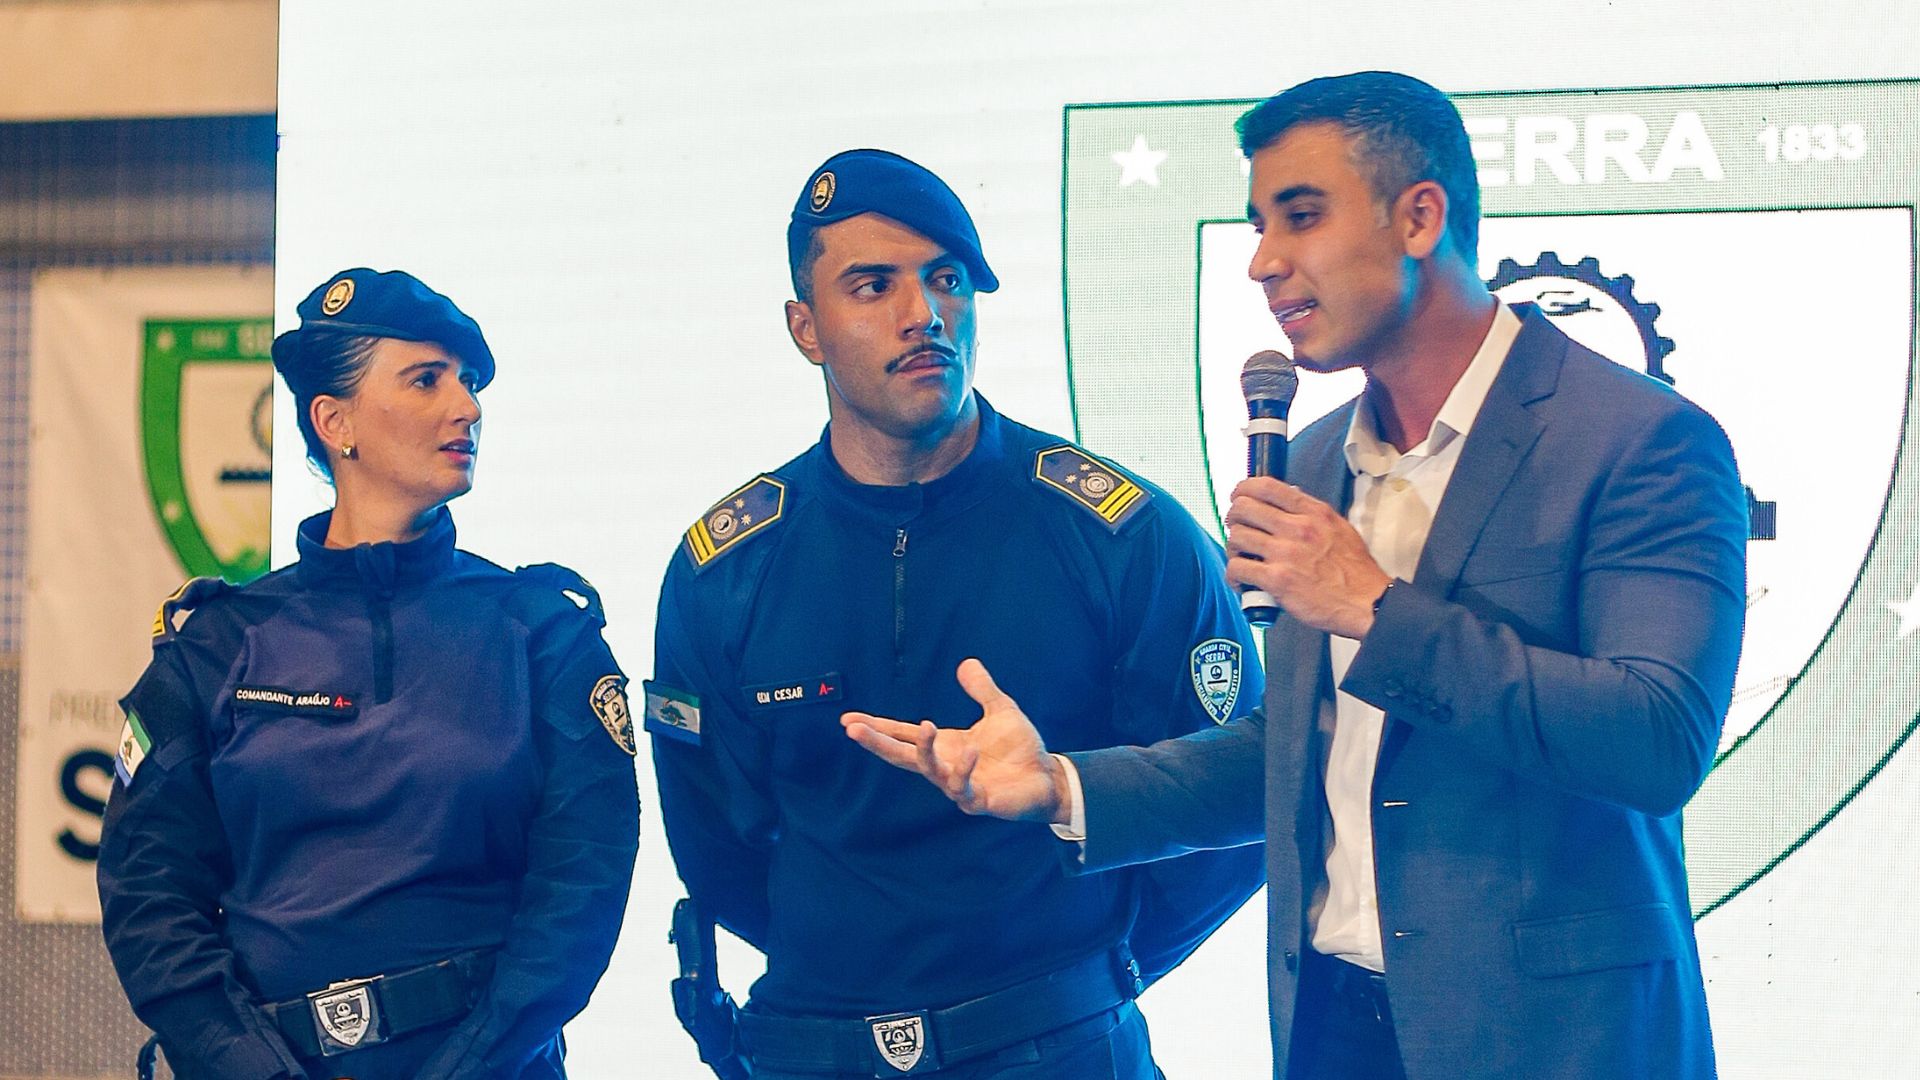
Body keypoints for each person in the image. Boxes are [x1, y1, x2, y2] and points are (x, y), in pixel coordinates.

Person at [844, 72, 1747, 1080]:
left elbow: (1657, 743)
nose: (1264, 262)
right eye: (1258, 225)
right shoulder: (1316, 460)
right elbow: (1293, 753)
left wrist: (1374, 608)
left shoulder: (1637, 439)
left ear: (1420, 217)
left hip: (1554, 1043)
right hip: (1332, 1026)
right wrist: (1063, 785)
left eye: (1301, 216)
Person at [647, 149, 1266, 1079]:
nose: (923, 314)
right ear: (806, 329)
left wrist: (1084, 982)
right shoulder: (725, 568)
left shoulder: (1122, 535)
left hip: (1062, 1045)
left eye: (947, 281)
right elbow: (717, 851)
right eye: (874, 286)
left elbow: (1237, 804)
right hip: (814, 1049)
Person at [97, 268, 641, 1080]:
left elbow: (581, 890)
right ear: (335, 420)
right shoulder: (215, 645)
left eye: (469, 381)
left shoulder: (542, 634)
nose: (468, 406)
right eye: (427, 380)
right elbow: (149, 897)